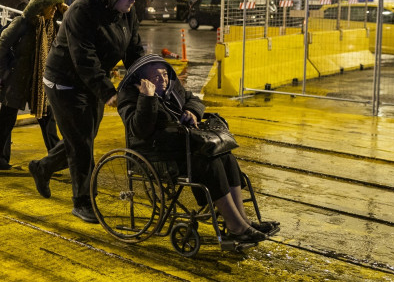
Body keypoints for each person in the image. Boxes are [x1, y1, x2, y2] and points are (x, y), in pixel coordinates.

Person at [27, 0, 149, 223]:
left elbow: (133, 49)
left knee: (83, 137)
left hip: (91, 82)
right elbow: (84, 59)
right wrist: (108, 92)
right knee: (82, 144)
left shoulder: (127, 12)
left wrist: (145, 74)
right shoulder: (82, 11)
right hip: (65, 82)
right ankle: (82, 201)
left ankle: (42, 167)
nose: (132, 2)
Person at [117, 54, 279, 243]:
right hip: (156, 155)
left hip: (181, 148)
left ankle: (242, 220)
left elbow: (194, 100)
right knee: (208, 163)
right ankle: (236, 226)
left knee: (225, 156)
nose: (163, 80)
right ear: (142, 80)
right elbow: (140, 130)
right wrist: (147, 97)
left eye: (165, 75)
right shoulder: (129, 97)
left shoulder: (172, 88)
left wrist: (192, 111)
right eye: (156, 77)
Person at [0, 0, 67, 170]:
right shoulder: (22, 23)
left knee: (48, 119)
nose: (54, 10)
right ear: (41, 6)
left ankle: (56, 160)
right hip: (16, 80)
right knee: (7, 121)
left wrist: (66, 12)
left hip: (40, 83)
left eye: (56, 7)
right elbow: (1, 45)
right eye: (51, 6)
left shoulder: (51, 26)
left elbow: (72, 30)